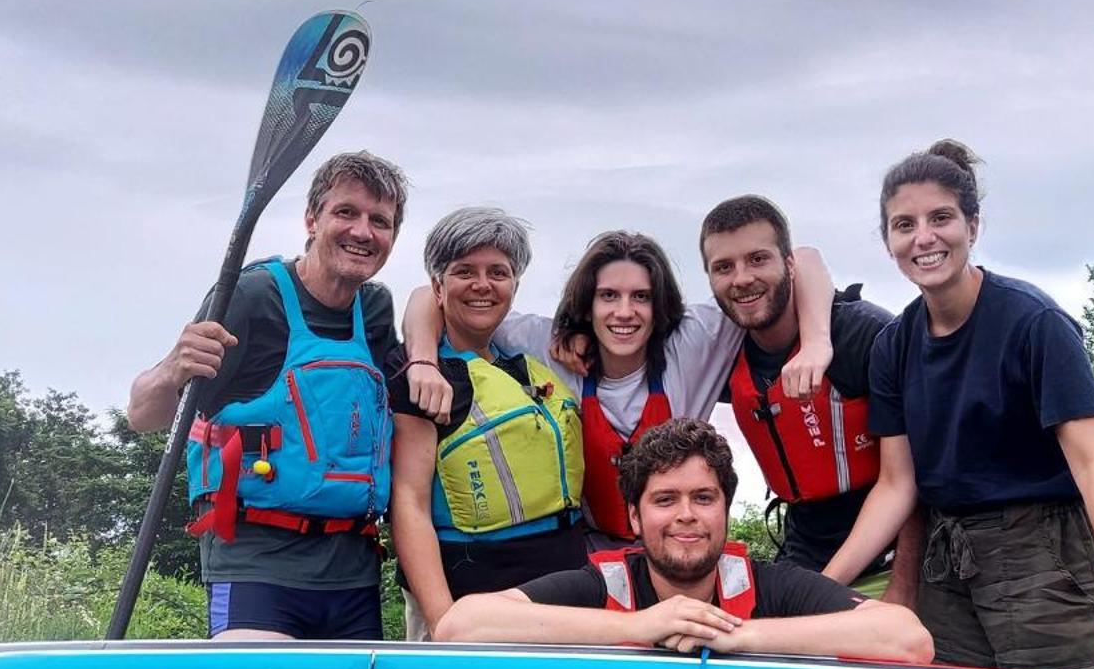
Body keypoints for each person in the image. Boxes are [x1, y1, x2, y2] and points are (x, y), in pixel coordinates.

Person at [821, 140, 1094, 669]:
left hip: (1043, 554)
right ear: (889, 242)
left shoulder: (1035, 323)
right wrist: (823, 585)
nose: (924, 238)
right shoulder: (894, 346)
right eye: (904, 225)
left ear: (973, 226)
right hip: (947, 563)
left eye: (941, 218)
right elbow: (895, 485)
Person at [126, 151, 407, 641]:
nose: (363, 232)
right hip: (256, 566)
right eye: (346, 213)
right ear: (312, 219)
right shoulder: (250, 296)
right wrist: (174, 365)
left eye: (379, 221)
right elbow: (142, 415)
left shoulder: (377, 309)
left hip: (353, 573)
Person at [407, 230, 838, 547]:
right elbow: (430, 296)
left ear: (660, 303)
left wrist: (817, 342)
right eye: (609, 296)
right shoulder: (545, 344)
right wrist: (423, 360)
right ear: (587, 305)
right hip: (588, 550)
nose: (625, 312)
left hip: (678, 549)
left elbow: (804, 259)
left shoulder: (692, 341)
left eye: (641, 297)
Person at [437, 418, 932, 663]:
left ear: (725, 509)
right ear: (633, 516)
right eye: (665, 500)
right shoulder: (602, 584)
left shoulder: (772, 586)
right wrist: (645, 624)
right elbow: (459, 626)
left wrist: (740, 637)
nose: (687, 516)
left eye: (703, 497)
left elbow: (908, 640)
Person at [390, 207, 587, 638]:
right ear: (438, 285)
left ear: (515, 284)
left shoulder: (528, 361)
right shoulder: (420, 371)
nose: (483, 285)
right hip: (468, 598)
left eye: (498, 272)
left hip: (558, 592)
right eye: (465, 271)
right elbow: (409, 501)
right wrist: (443, 621)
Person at [699, 193, 909, 578]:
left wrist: (904, 584)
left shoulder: (863, 335)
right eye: (724, 267)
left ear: (789, 263)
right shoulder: (722, 351)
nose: (742, 278)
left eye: (758, 259)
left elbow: (918, 476)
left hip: (896, 548)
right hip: (804, 545)